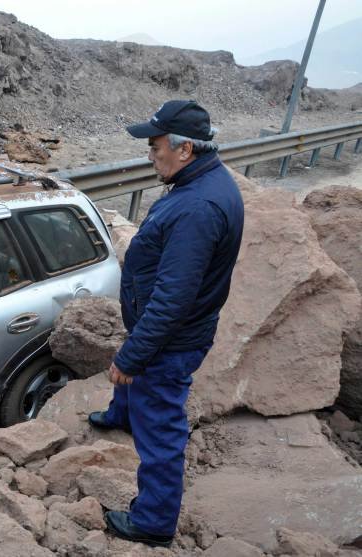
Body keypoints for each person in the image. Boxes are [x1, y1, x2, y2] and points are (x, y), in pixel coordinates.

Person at [88, 100, 245, 547]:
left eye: (155, 147)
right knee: (136, 376)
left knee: (160, 425)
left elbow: (173, 300)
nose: (150, 155)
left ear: (185, 149)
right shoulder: (197, 182)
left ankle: (154, 520)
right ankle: (122, 414)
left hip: (171, 340)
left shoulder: (198, 207)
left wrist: (133, 356)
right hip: (163, 328)